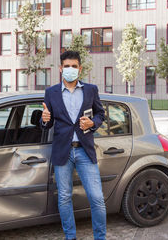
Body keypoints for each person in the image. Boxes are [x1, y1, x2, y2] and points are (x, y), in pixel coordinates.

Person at [41, 50, 106, 240]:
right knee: (64, 197)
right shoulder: (51, 92)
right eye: (67, 66)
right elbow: (48, 123)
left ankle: (100, 238)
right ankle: (71, 237)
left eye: (74, 66)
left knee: (97, 198)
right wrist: (45, 119)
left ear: (80, 69)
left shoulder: (91, 90)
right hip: (63, 152)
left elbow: (101, 114)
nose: (70, 69)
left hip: (85, 151)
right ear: (61, 69)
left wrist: (93, 123)